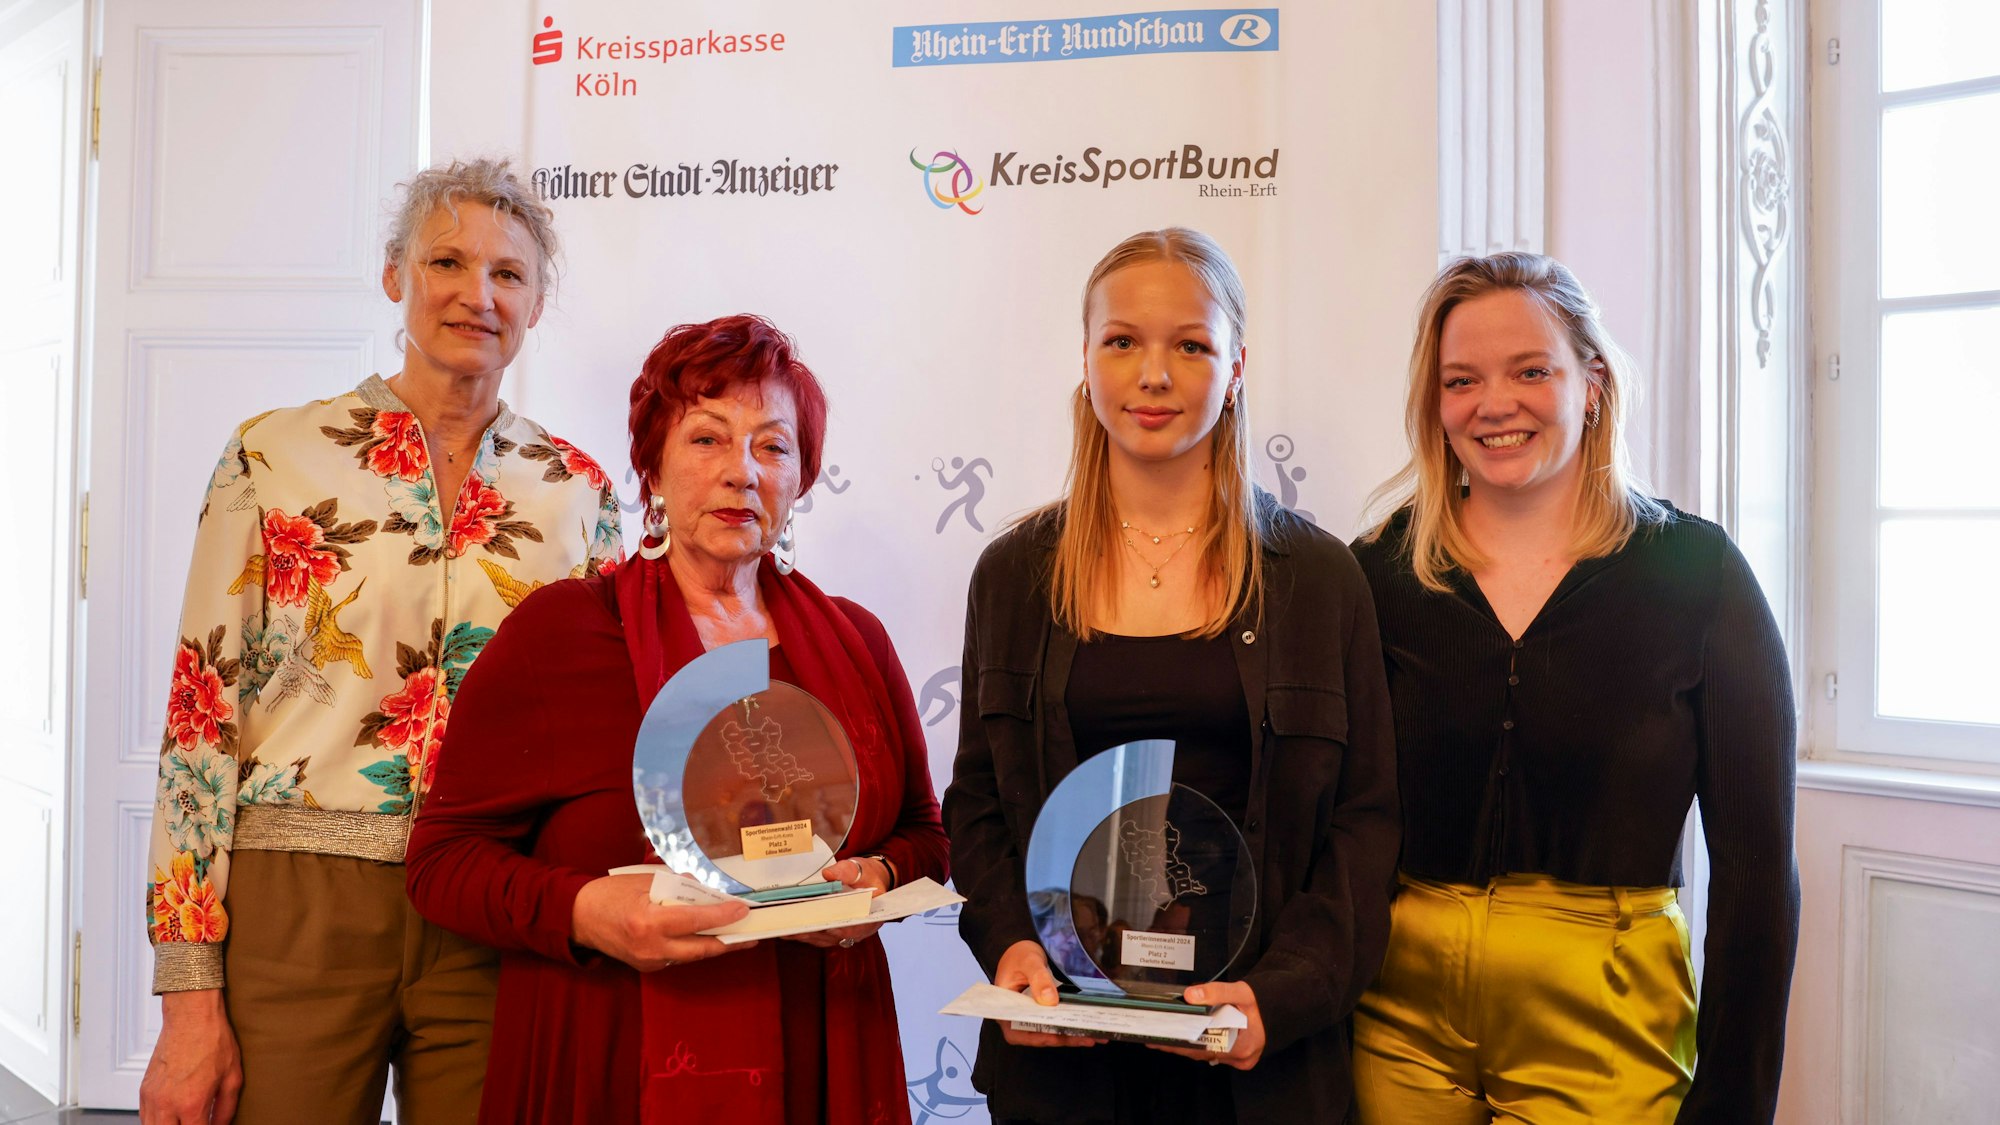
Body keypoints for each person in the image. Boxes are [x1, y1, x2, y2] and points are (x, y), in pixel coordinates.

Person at [139, 158, 627, 1125]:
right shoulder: (274, 456)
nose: (477, 295)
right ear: (394, 273)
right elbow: (200, 718)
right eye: (447, 261)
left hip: (495, 906)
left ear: (536, 302)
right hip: (297, 908)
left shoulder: (577, 492)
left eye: (509, 274)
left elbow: (597, 738)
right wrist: (188, 994)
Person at [404, 313, 950, 1124]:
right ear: (651, 468)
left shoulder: (856, 641)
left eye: (773, 446)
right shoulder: (562, 635)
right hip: (616, 1052)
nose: (742, 472)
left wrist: (875, 879)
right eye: (707, 439)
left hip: (823, 1043)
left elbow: (922, 833)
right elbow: (442, 864)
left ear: (801, 479)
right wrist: (587, 912)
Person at [943, 228, 1400, 1123]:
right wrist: (1010, 945)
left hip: (1257, 1063)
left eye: (1190, 344)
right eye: (1123, 342)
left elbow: (1365, 821)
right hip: (1064, 1057)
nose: (1154, 374)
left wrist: (1287, 993)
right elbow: (978, 805)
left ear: (1234, 367)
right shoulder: (1013, 574)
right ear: (1087, 358)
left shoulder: (1318, 577)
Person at [1349, 252, 1799, 1123]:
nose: (1494, 403)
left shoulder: (1698, 574)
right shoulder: (1378, 575)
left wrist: (1735, 1101)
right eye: (1461, 379)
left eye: (1531, 370)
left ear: (1590, 383)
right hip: (1395, 1015)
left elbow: (1755, 874)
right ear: (1434, 404)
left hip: (1607, 1015)